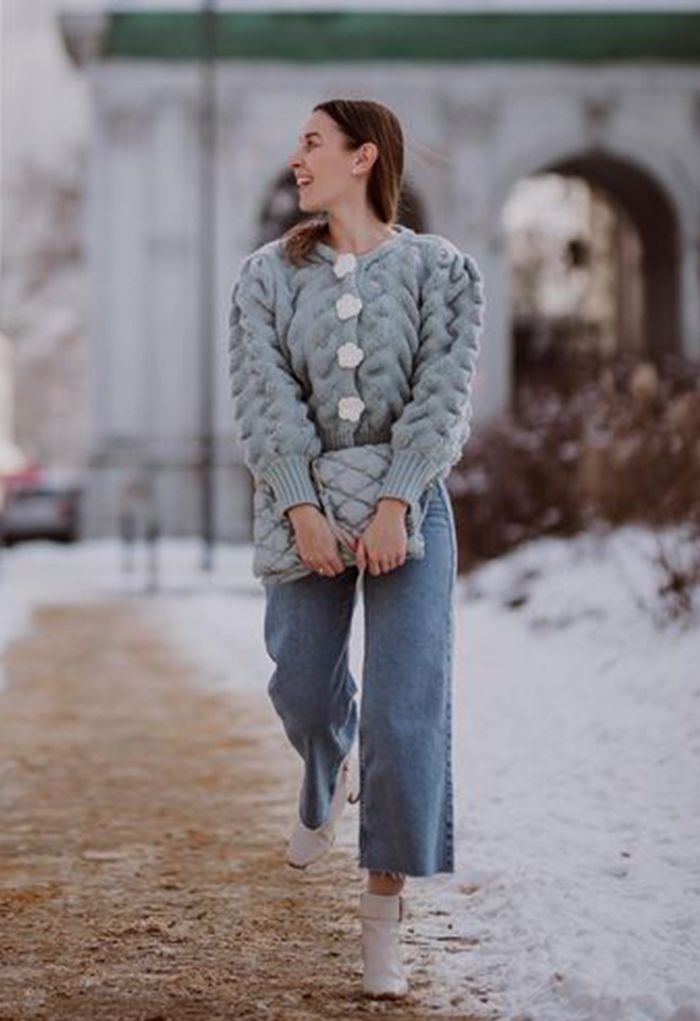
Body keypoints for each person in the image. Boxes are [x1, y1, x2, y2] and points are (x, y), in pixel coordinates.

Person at [228, 97, 485, 1000]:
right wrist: (299, 504)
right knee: (300, 679)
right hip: (300, 506)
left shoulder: (441, 269)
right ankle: (322, 758)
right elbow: (264, 397)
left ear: (362, 157)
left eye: (311, 143)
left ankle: (383, 922)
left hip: (407, 512)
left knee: (406, 712)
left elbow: (444, 392)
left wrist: (393, 499)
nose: (295, 159)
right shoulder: (265, 276)